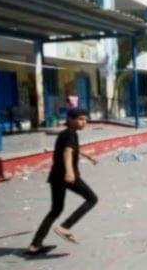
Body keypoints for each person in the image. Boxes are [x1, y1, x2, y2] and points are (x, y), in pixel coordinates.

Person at [26, 108, 98, 255]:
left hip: (56, 176)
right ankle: (65, 226)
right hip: (67, 176)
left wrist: (87, 156)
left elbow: (71, 149)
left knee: (56, 209)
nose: (84, 122)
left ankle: (35, 245)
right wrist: (70, 172)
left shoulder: (67, 133)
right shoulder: (71, 134)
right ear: (70, 119)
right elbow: (67, 152)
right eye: (80, 119)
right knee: (92, 199)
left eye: (85, 119)